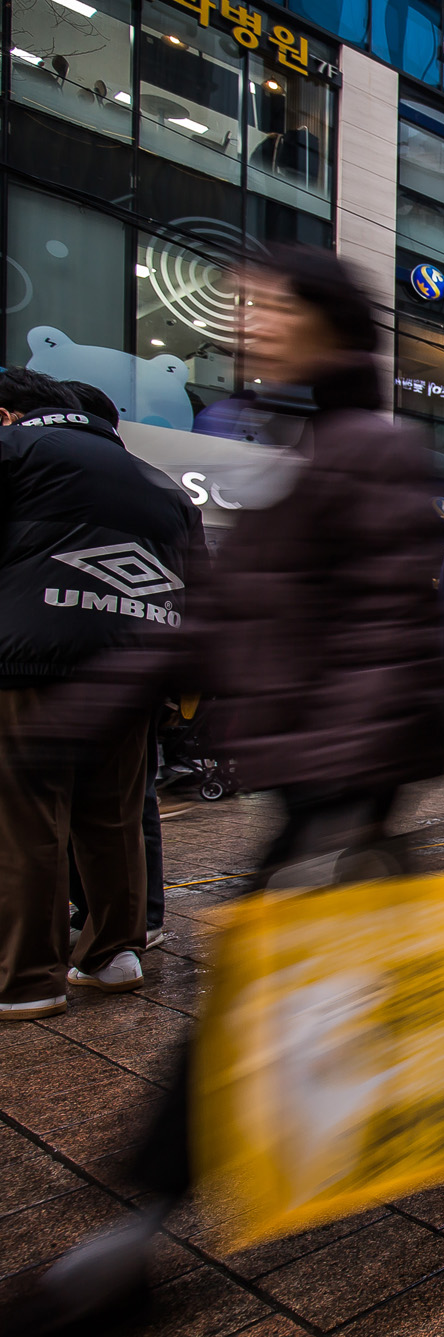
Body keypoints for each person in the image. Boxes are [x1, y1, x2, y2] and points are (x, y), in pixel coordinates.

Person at [15, 246, 444, 1330]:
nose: (246, 323)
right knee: (358, 961)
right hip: (320, 775)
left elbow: (396, 630)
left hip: (339, 777)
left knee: (245, 1009)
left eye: (268, 306)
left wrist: (353, 785)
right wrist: (78, 717)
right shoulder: (308, 446)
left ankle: (121, 1251)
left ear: (326, 323)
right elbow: (212, 620)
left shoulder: (371, 449)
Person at [0, 371, 199, 1019]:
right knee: (114, 816)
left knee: (27, 816)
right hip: (134, 670)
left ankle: (27, 978)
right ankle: (114, 954)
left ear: (8, 413)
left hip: (28, 660)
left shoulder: (16, 450)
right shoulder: (164, 486)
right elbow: (199, 590)